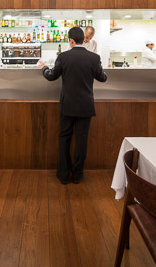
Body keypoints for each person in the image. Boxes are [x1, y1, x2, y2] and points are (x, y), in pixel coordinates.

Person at [37, 27, 107, 185]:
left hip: (68, 104)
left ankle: (63, 175)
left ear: (71, 41)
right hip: (85, 105)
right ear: (83, 39)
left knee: (64, 138)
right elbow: (103, 78)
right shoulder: (94, 58)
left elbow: (51, 76)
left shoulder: (63, 57)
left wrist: (43, 67)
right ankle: (77, 175)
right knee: (82, 140)